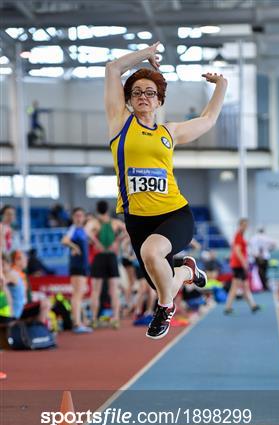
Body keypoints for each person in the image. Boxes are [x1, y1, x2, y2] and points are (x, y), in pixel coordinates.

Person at [104, 41, 226, 339]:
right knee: (163, 281)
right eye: (136, 93)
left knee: (152, 256)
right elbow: (112, 68)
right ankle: (187, 270)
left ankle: (165, 309)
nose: (143, 97)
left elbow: (208, 120)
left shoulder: (168, 132)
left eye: (150, 93)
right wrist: (144, 55)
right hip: (137, 218)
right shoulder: (120, 124)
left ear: (159, 100)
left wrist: (221, 85)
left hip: (174, 213)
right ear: (129, 101)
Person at [85, 201, 126, 329]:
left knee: (96, 291)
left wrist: (96, 242)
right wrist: (117, 242)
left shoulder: (94, 223)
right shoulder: (115, 223)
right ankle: (116, 319)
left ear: (97, 210)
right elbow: (128, 230)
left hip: (99, 257)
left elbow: (86, 232)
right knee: (114, 291)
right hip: (111, 257)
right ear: (107, 209)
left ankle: (94, 319)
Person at [62, 207, 92, 334]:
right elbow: (64, 241)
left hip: (84, 265)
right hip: (77, 265)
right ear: (73, 217)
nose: (79, 218)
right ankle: (77, 323)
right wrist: (74, 247)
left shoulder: (83, 230)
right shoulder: (73, 228)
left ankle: (82, 320)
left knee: (80, 294)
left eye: (81, 215)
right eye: (77, 215)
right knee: (77, 294)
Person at [224, 218, 260, 315]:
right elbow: (237, 251)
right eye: (244, 225)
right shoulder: (238, 236)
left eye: (246, 225)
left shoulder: (240, 236)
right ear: (240, 225)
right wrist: (244, 262)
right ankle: (228, 307)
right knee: (235, 287)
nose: (245, 227)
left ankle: (253, 305)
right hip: (238, 265)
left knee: (245, 286)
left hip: (239, 264)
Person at [249, 227, 276, 291]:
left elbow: (249, 244)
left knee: (258, 272)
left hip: (257, 256)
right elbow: (274, 244)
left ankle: (260, 285)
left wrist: (255, 252)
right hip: (265, 257)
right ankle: (264, 285)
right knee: (264, 272)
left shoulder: (254, 238)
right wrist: (269, 249)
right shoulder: (266, 237)